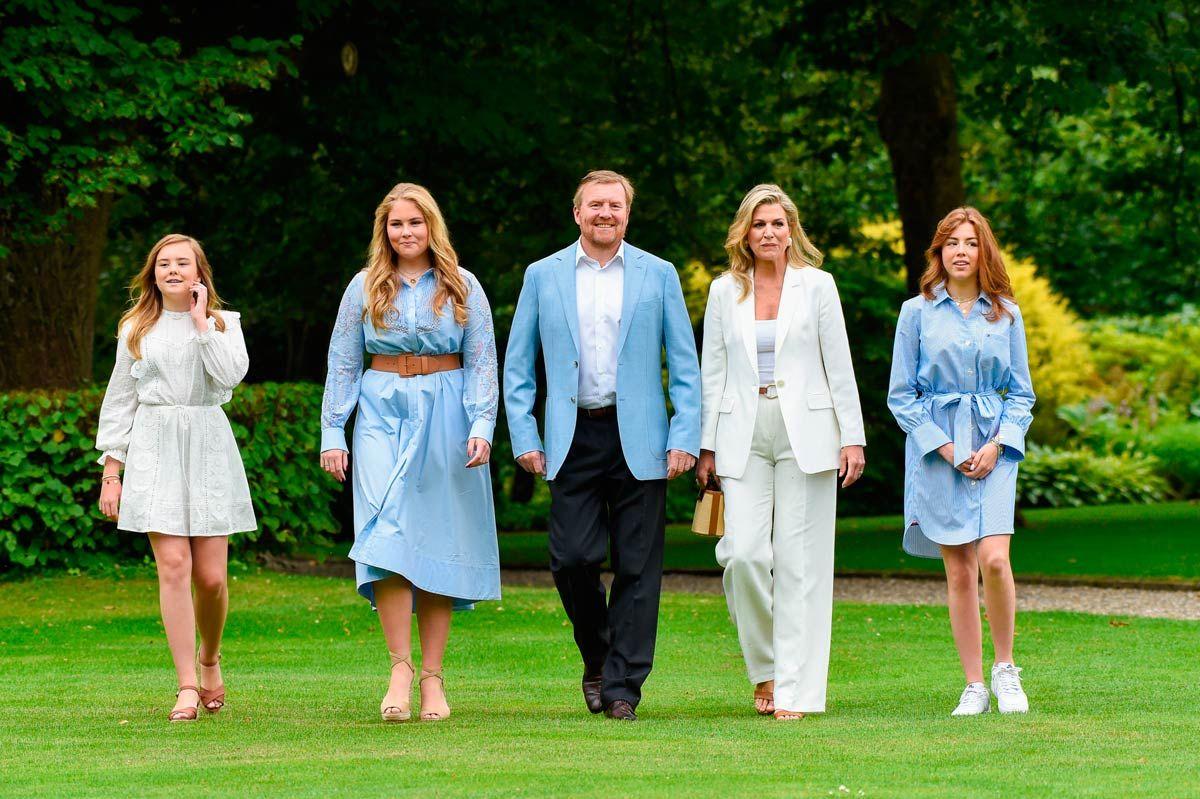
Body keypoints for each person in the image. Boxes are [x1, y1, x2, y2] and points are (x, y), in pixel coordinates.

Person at [504, 170, 700, 721]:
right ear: (577, 213)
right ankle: (598, 654)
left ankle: (621, 691)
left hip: (642, 438)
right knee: (571, 559)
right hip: (572, 435)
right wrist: (525, 434)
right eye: (595, 205)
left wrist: (686, 433)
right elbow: (518, 366)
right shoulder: (542, 276)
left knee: (639, 567)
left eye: (614, 205)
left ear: (627, 214)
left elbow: (684, 364)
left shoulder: (657, 275)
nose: (605, 214)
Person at [319, 182, 500, 722]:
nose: (406, 233)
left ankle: (433, 678)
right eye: (396, 224)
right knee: (389, 534)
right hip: (380, 413)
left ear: (431, 227)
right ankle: (399, 667)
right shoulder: (363, 286)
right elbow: (343, 362)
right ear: (385, 230)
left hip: (446, 414)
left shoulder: (463, 286)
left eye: (415, 223)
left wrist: (482, 424)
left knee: (437, 537)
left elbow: (483, 360)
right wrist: (334, 432)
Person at [696, 184, 866, 721]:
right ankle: (765, 669)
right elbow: (713, 372)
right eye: (758, 224)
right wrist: (705, 448)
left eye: (777, 223)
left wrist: (852, 436)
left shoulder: (819, 287)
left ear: (791, 230)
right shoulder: (725, 291)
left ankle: (795, 693)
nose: (768, 232)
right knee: (742, 555)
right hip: (740, 435)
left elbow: (838, 365)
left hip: (809, 434)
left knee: (802, 567)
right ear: (744, 233)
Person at [96, 233, 255, 722]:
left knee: (210, 578)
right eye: (163, 263)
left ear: (199, 272)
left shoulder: (225, 324)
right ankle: (187, 684)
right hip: (155, 445)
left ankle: (210, 660)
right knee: (173, 567)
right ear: (153, 272)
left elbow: (231, 375)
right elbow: (121, 397)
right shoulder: (135, 328)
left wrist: (202, 323)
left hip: (207, 445)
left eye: (182, 263)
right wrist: (112, 470)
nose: (172, 270)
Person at [886, 206, 1036, 716]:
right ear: (939, 252)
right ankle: (973, 683)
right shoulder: (916, 313)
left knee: (994, 558)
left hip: (995, 446)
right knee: (959, 572)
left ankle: (1005, 669)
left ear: (983, 251)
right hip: (938, 452)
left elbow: (1022, 395)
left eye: (970, 242)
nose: (961, 251)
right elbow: (901, 396)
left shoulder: (1007, 314)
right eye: (951, 242)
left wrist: (998, 445)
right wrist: (944, 447)